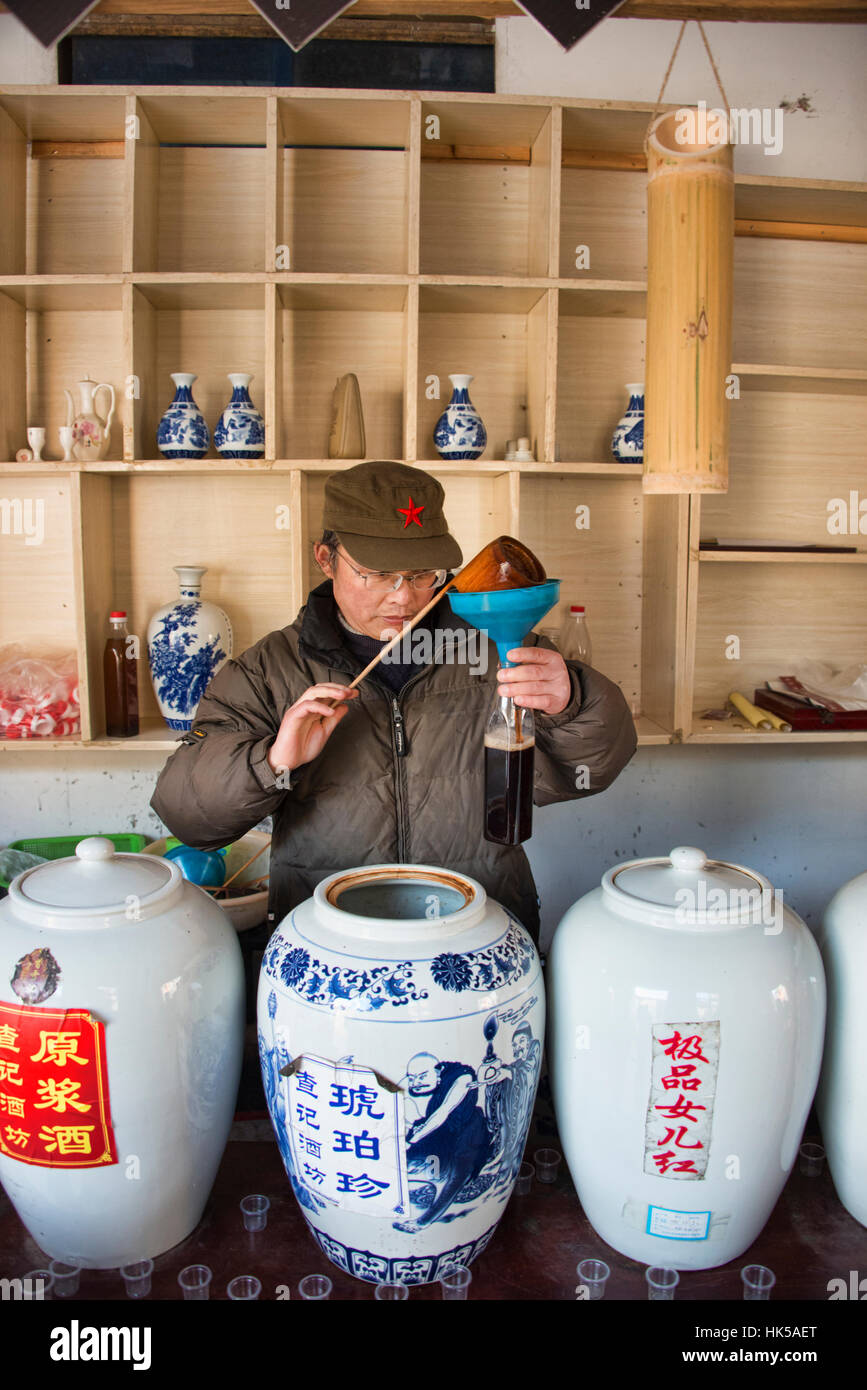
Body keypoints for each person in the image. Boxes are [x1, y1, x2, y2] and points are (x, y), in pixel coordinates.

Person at [150, 460, 636, 943]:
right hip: (330, 942)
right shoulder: (271, 669)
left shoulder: (496, 644)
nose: (403, 598)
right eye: (378, 574)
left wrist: (572, 701)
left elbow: (585, 772)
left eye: (423, 574)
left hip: (481, 929)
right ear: (325, 558)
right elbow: (187, 815)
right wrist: (273, 760)